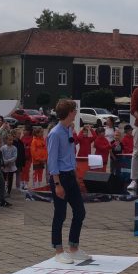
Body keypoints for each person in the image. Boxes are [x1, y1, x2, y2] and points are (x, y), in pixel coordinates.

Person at [47, 99, 89, 265]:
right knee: (60, 214)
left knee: (80, 211)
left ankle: (74, 247)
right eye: (74, 110)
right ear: (70, 112)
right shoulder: (55, 133)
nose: (76, 113)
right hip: (60, 178)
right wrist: (57, 184)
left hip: (70, 176)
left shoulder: (68, 130)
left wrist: (75, 175)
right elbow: (52, 161)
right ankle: (58, 250)